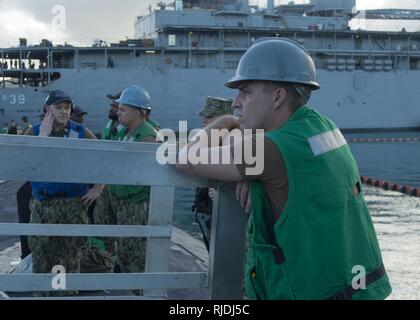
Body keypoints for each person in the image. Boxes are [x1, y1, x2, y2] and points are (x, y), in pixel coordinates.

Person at [176, 38, 392, 300]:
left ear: (278, 96)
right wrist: (253, 175)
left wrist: (226, 121)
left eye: (245, 91)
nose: (236, 102)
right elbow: (287, 168)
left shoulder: (270, 150)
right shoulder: (321, 126)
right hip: (359, 287)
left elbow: (186, 157)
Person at [25, 90, 103, 295]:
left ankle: (67, 296)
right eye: (58, 107)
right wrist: (43, 137)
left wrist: (97, 188)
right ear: (47, 110)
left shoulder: (81, 133)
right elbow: (23, 163)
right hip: (44, 206)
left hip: (72, 205)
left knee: (71, 257)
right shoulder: (32, 133)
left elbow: (105, 158)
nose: (63, 111)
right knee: (42, 255)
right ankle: (42, 295)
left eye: (67, 108)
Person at [94, 85, 161, 279]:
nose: (118, 112)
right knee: (121, 248)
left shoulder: (148, 136)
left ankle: (136, 290)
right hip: (118, 197)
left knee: (134, 251)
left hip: (135, 203)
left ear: (137, 112)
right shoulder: (124, 130)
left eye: (122, 109)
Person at [193, 96, 233, 251]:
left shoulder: (234, 142)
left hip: (230, 217)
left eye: (209, 117)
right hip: (213, 214)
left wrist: (223, 192)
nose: (204, 121)